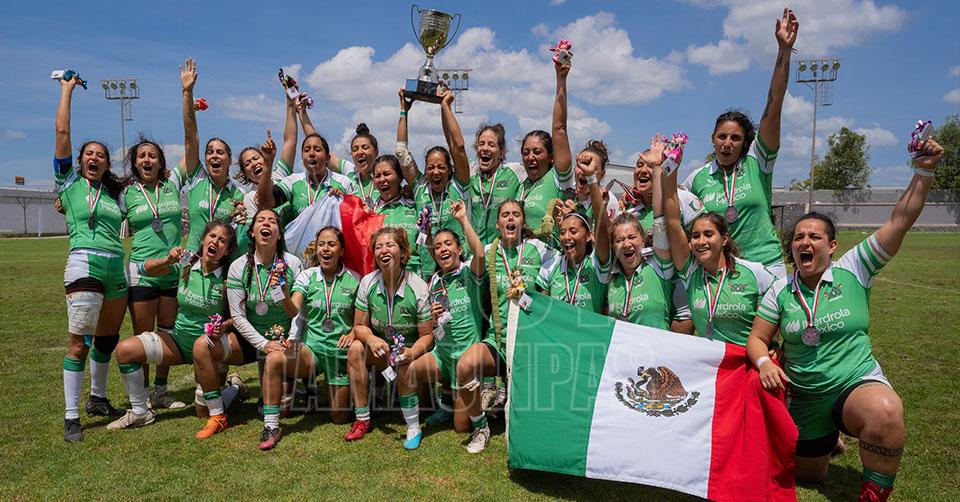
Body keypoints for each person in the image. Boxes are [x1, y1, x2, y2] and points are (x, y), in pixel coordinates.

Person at [748, 139, 944, 501]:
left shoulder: (855, 267)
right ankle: (829, 439)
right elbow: (757, 339)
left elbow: (899, 221)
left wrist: (924, 171)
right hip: (804, 396)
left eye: (814, 236)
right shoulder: (781, 289)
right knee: (811, 476)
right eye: (798, 237)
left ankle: (873, 494)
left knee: (886, 412)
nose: (805, 242)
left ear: (832, 245)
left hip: (853, 383)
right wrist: (764, 363)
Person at [683, 8, 798, 279]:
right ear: (712, 139)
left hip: (766, 264)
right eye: (721, 136)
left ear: (745, 142)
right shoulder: (696, 179)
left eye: (735, 138)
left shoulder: (758, 161)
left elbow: (774, 105)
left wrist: (783, 51)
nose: (727, 143)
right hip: (724, 268)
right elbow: (675, 211)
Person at [105, 221, 237, 430]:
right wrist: (167, 259)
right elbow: (143, 269)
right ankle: (140, 412)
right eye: (212, 236)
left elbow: (238, 317)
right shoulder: (187, 262)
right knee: (125, 351)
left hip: (209, 349)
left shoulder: (230, 277)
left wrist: (224, 326)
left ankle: (235, 388)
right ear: (203, 239)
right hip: (177, 344)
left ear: (228, 250)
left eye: (222, 241)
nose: (215, 242)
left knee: (203, 413)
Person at [54, 72, 128, 442]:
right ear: (80, 160)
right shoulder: (68, 184)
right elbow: (62, 133)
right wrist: (67, 91)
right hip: (84, 262)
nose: (94, 157)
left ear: (106, 163)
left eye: (101, 155)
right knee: (79, 343)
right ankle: (71, 416)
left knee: (107, 340)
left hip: (116, 266)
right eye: (89, 154)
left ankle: (97, 399)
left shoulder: (113, 195)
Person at [455, 199, 557, 450]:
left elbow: (564, 266)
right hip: (499, 341)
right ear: (498, 223)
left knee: (531, 420)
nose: (511, 218)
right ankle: (481, 428)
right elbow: (468, 262)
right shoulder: (490, 251)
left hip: (530, 343)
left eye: (516, 214)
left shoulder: (539, 249)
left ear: (523, 222)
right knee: (465, 367)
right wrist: (463, 219)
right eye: (505, 215)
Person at [191, 208, 301, 439]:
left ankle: (255, 388)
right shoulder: (239, 266)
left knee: (283, 410)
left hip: (282, 342)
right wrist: (262, 344)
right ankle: (219, 415)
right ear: (252, 232)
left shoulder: (293, 263)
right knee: (202, 345)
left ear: (279, 234)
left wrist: (289, 340)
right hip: (250, 341)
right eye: (260, 220)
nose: (266, 224)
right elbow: (238, 316)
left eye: (272, 221)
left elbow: (298, 313)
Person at [661, 134, 775, 346]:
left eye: (708, 234)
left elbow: (783, 309)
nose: (701, 241)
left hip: (747, 360)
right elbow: (673, 221)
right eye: (695, 236)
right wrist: (671, 168)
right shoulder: (691, 273)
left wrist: (776, 347)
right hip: (710, 363)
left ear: (724, 239)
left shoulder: (755, 272)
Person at [258, 226, 361, 450]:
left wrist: (353, 333)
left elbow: (362, 319)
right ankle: (271, 425)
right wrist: (283, 292)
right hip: (311, 351)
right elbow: (292, 310)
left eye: (331, 244)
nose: (326, 249)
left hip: (339, 354)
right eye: (321, 244)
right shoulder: (307, 276)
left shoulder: (355, 279)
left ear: (341, 250)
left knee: (339, 417)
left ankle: (354, 392)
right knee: (274, 359)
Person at [403, 202, 485, 447]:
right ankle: (413, 427)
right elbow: (434, 325)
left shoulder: (470, 273)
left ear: (459, 249)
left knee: (461, 428)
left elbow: (480, 254)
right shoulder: (435, 280)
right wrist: (434, 318)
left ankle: (463, 403)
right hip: (442, 356)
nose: (442, 250)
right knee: (406, 369)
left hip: (465, 360)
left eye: (448, 244)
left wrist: (462, 219)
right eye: (438, 247)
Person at [345, 227, 434, 448]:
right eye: (378, 247)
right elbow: (359, 326)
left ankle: (413, 424)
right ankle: (362, 419)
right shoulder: (368, 282)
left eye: (390, 245)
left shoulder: (418, 286)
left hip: (410, 354)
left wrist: (411, 353)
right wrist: (371, 339)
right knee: (355, 349)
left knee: (422, 409)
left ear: (403, 253)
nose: (383, 250)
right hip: (383, 352)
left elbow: (427, 336)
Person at [122, 136, 193, 409]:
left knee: (166, 333)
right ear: (135, 163)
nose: (147, 160)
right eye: (141, 156)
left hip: (171, 271)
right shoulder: (127, 192)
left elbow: (191, 150)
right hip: (141, 271)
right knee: (142, 338)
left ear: (160, 161)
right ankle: (141, 397)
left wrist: (189, 112)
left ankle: (160, 392)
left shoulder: (172, 183)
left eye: (152, 155)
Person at [180, 58, 247, 262]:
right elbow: (190, 138)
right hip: (193, 259)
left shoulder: (238, 194)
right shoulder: (197, 178)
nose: (214, 155)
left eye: (220, 152)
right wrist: (187, 92)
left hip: (222, 263)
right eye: (210, 152)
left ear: (229, 159)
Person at [398, 89, 470, 278]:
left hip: (459, 270)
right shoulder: (420, 187)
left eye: (441, 167)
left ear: (449, 170)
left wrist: (445, 106)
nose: (435, 172)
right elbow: (401, 152)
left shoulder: (459, 186)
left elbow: (459, 147)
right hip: (428, 273)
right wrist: (403, 110)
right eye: (430, 167)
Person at [536, 145, 610, 313]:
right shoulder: (551, 266)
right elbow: (542, 312)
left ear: (588, 235)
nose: (567, 236)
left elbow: (603, 233)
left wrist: (591, 179)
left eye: (574, 231)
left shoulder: (596, 265)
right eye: (563, 232)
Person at [517, 58, 575, 244]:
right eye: (526, 152)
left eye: (537, 151)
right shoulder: (521, 187)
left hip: (552, 258)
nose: (530, 157)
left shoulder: (557, 178)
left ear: (551, 157)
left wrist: (561, 79)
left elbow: (560, 129)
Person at [370, 155, 422, 275]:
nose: (382, 179)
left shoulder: (415, 206)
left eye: (387, 174)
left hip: (414, 275)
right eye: (377, 176)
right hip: (382, 277)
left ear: (400, 176)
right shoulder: (371, 212)